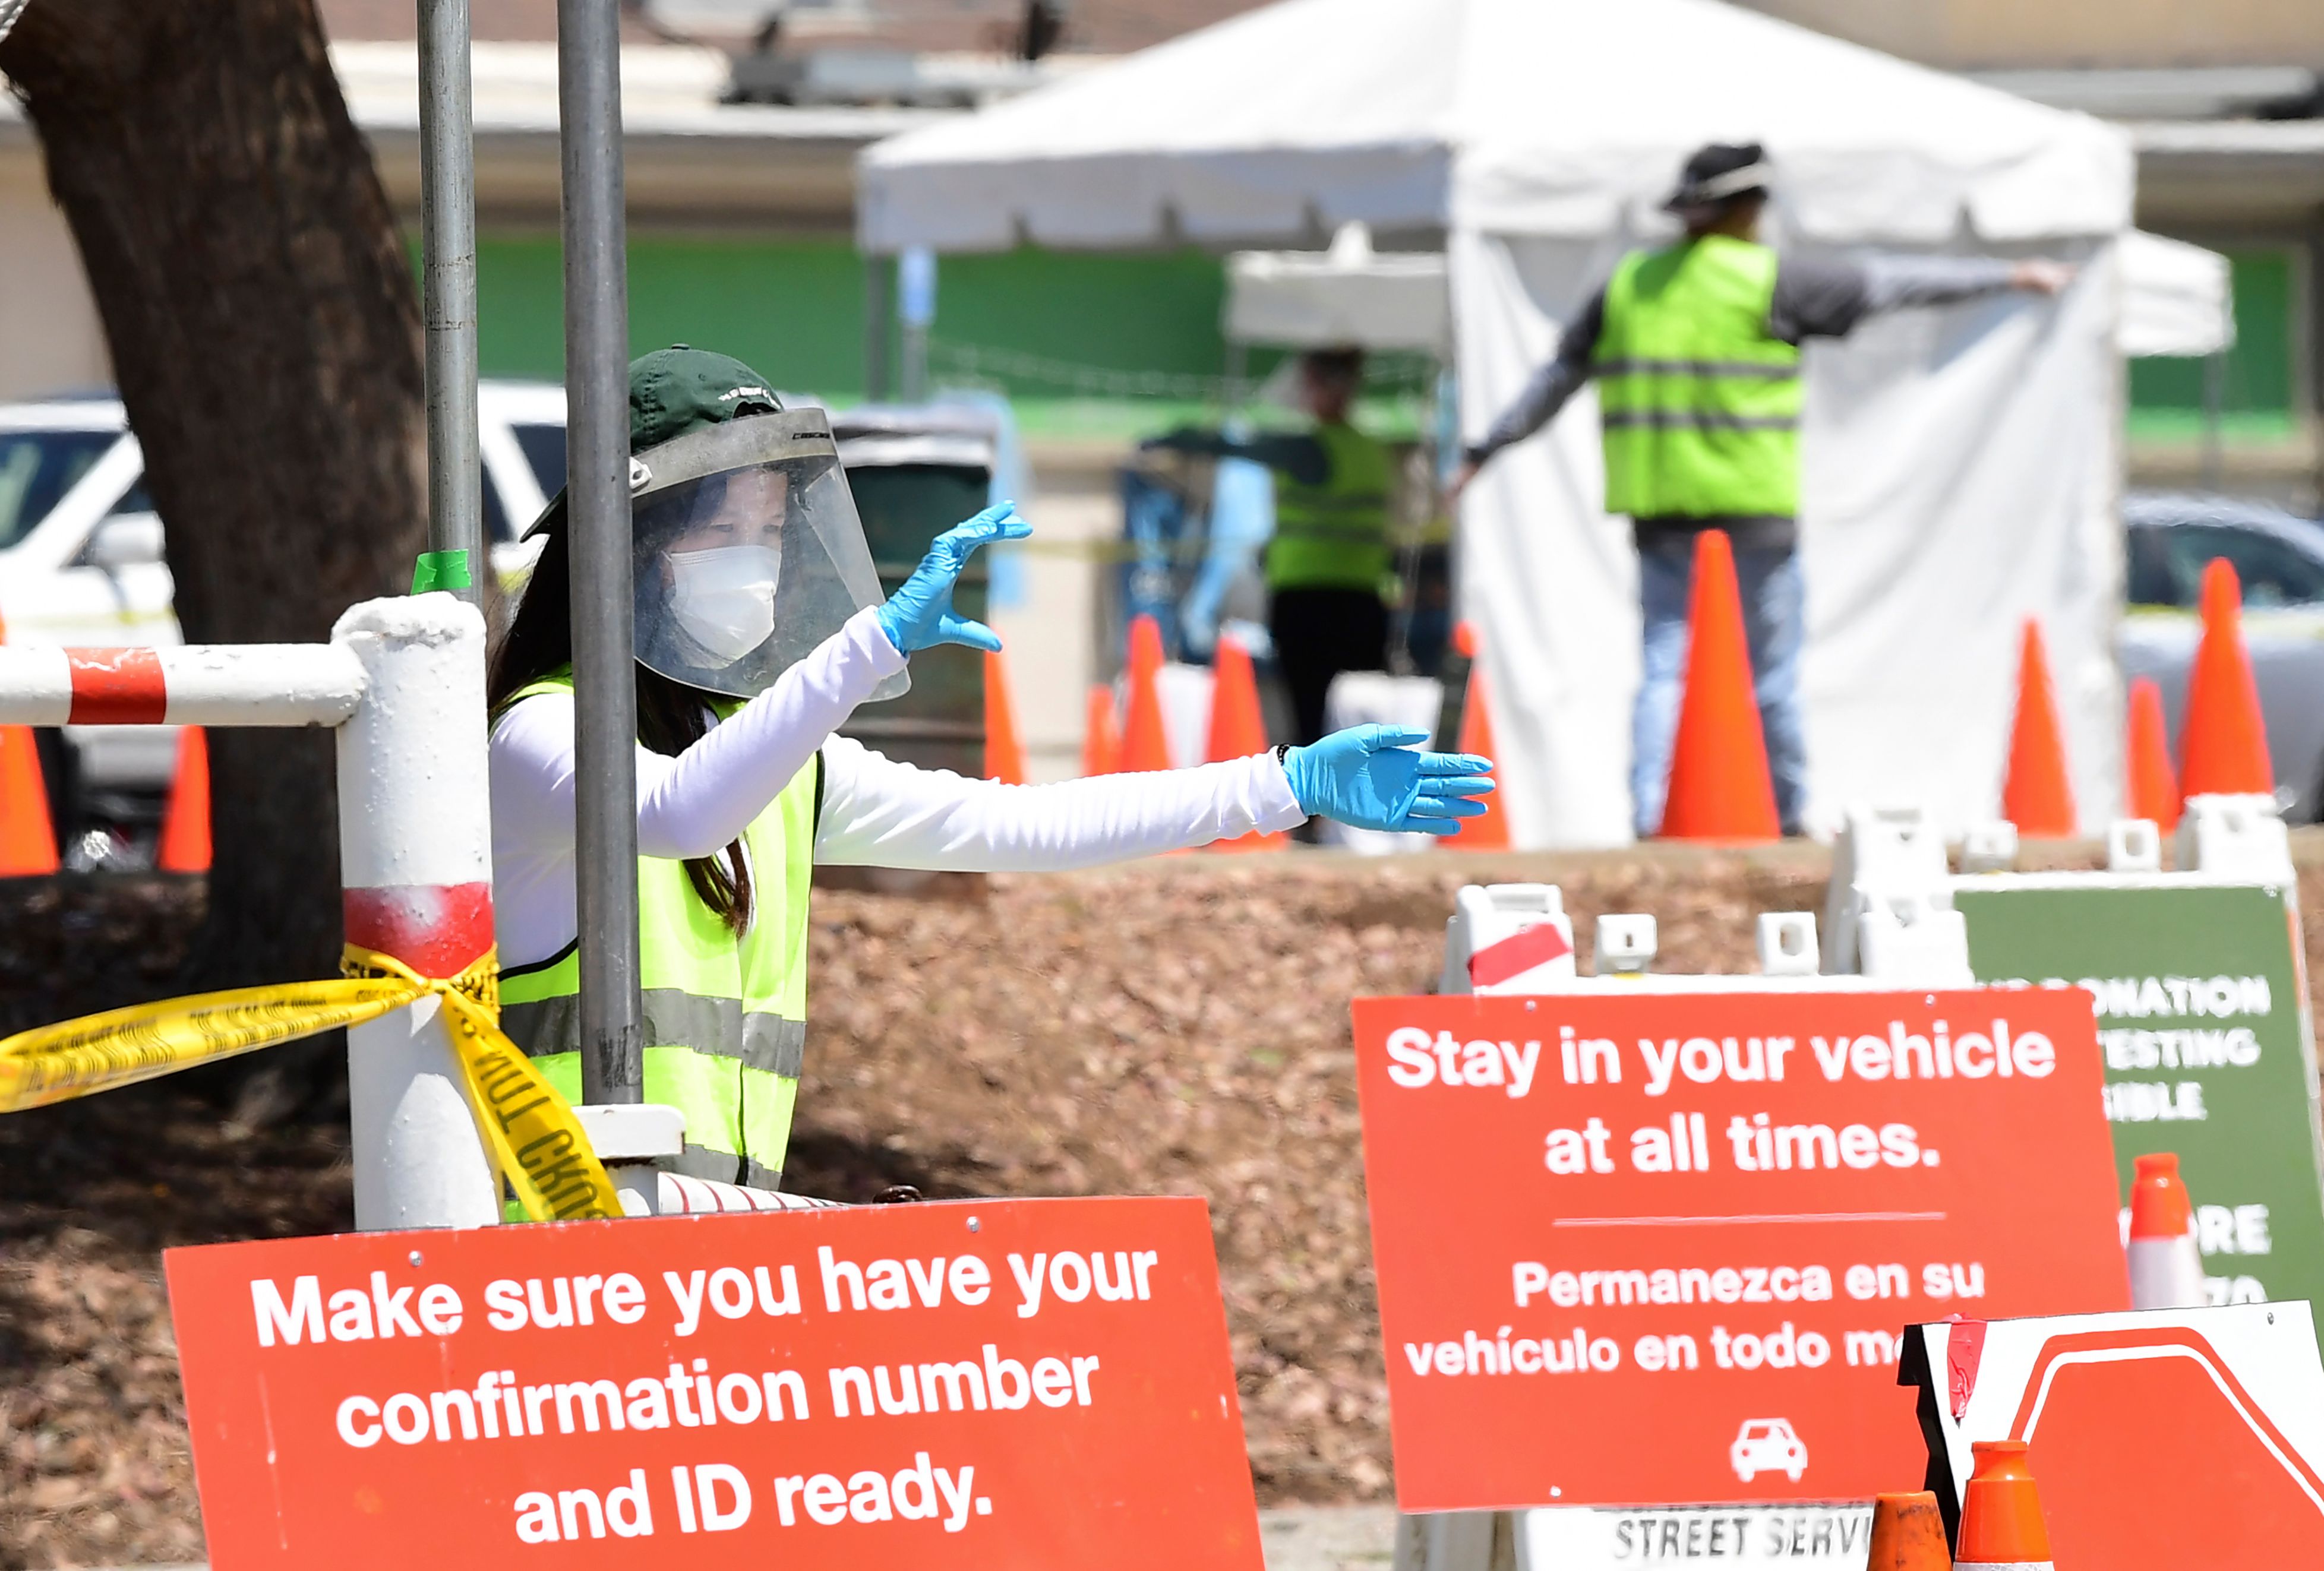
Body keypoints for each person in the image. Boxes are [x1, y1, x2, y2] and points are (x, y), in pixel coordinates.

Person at [487, 346, 1494, 1191]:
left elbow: (1018, 824)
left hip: (703, 1260)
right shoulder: (536, 734)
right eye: (721, 532)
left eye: (767, 531)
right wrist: (867, 647)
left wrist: (1281, 785)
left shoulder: (776, 763)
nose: (754, 561)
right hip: (551, 1268)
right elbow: (669, 815)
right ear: (621, 551)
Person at [1449, 143, 2073, 838]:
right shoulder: (1768, 280)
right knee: (1769, 672)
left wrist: (1484, 449)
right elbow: (1895, 282)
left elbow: (1555, 379)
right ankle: (1786, 816)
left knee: (1667, 667)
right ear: (1748, 208)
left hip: (1662, 511)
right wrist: (2011, 275)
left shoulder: (1630, 286)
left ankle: (1655, 818)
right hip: (1754, 513)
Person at [1145, 346, 1396, 748]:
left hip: (1308, 602)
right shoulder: (1370, 450)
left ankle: (1312, 810)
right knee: (1362, 717)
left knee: (1311, 718)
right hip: (1363, 599)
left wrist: (1180, 438)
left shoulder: (1309, 447)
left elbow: (1243, 447)